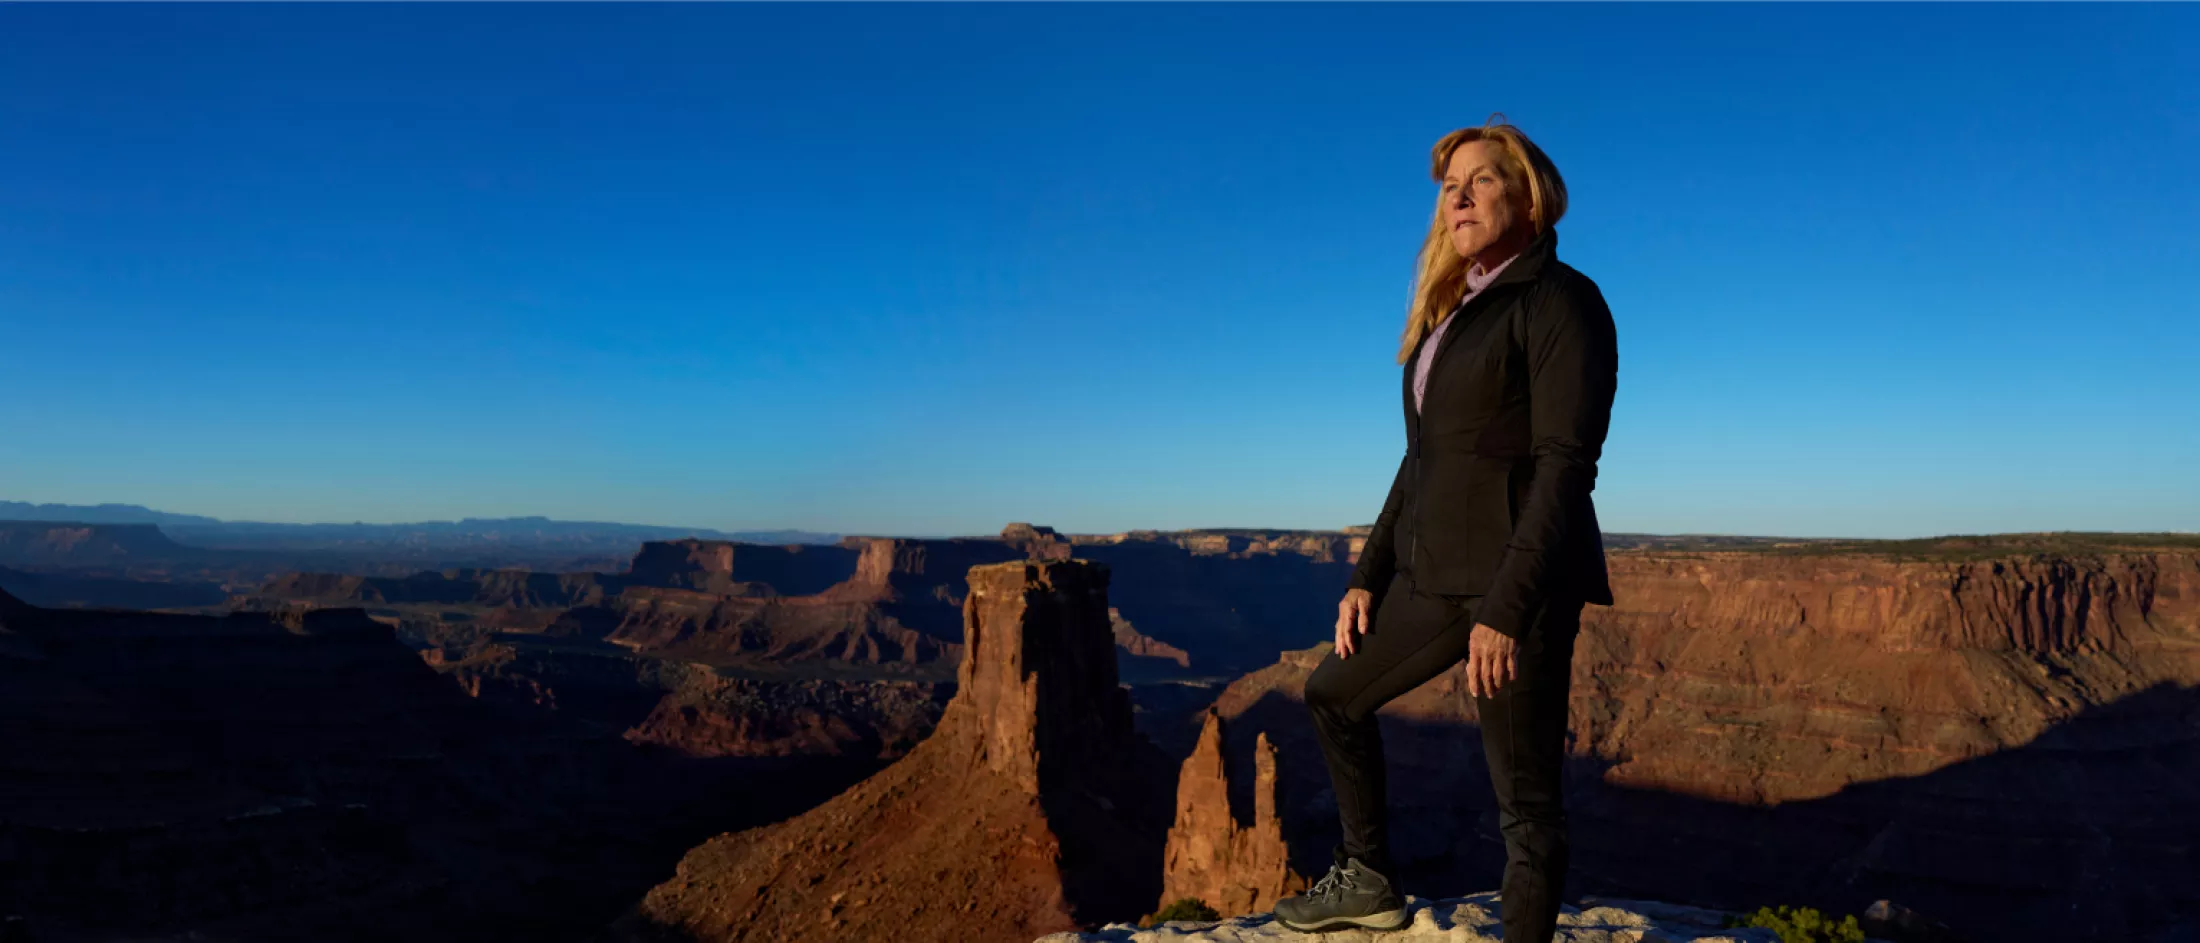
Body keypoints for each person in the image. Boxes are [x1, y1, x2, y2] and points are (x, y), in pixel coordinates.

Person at [1271, 118, 1618, 940]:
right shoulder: (1451, 314)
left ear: (1527, 196)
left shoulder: (1561, 302)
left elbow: (1566, 464)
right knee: (1332, 694)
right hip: (1435, 578)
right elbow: (1419, 460)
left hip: (1518, 587)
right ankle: (1368, 878)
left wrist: (1507, 606)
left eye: (1480, 180)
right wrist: (1367, 574)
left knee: (1524, 807)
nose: (1456, 198)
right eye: (1447, 188)